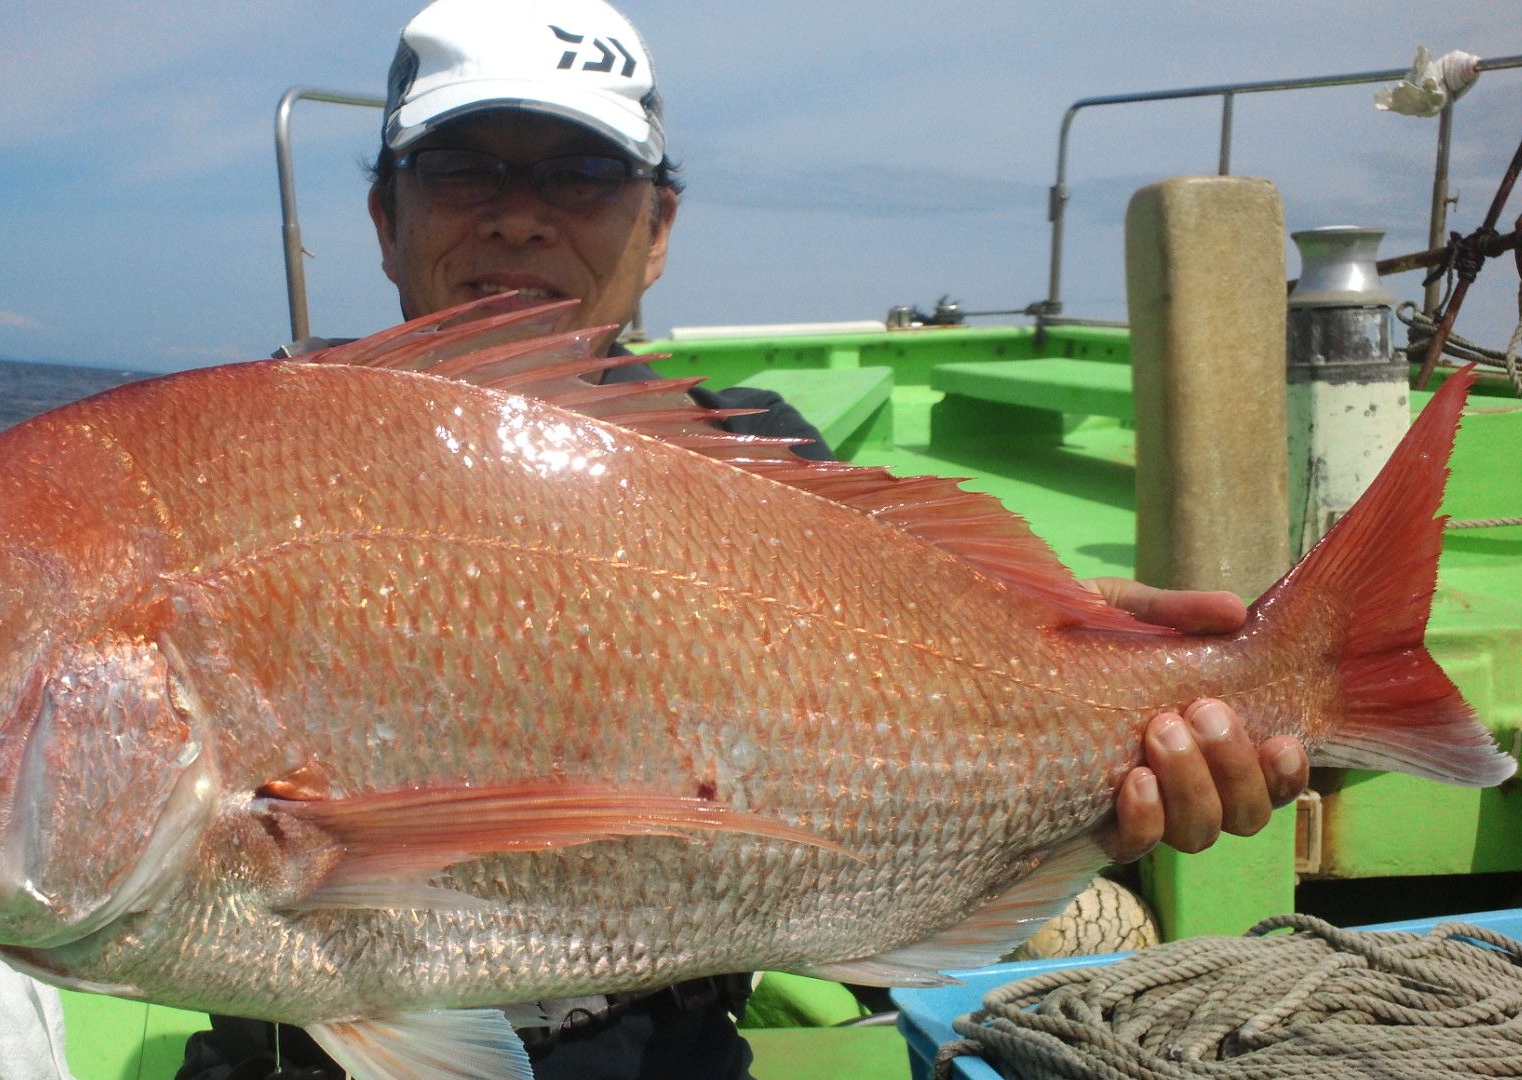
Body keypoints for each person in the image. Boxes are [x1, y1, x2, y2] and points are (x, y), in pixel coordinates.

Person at [178, 1, 1309, 1076]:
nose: (519, 215)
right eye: (462, 168)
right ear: (387, 218)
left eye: (582, 173)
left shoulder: (763, 462)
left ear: (656, 230)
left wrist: (1083, 660)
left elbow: (901, 701)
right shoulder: (238, 458)